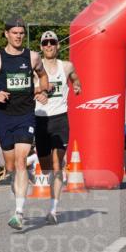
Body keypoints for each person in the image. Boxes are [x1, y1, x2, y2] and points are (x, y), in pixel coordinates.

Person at [0, 19, 49, 230]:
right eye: (14, 33)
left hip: (26, 115)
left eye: (21, 33)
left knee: (20, 160)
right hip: (4, 117)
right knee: (10, 167)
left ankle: (19, 212)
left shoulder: (33, 57)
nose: (18, 36)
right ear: (6, 34)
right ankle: (20, 186)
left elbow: (44, 76)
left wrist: (43, 91)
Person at [34, 31, 82, 224]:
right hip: (40, 119)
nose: (49, 46)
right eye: (45, 43)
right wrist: (38, 92)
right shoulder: (35, 67)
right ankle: (51, 180)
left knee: (57, 165)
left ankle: (53, 210)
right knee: (45, 167)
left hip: (61, 118)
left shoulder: (67, 66)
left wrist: (77, 86)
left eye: (52, 42)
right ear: (41, 47)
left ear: (58, 45)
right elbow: (25, 89)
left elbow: (76, 78)